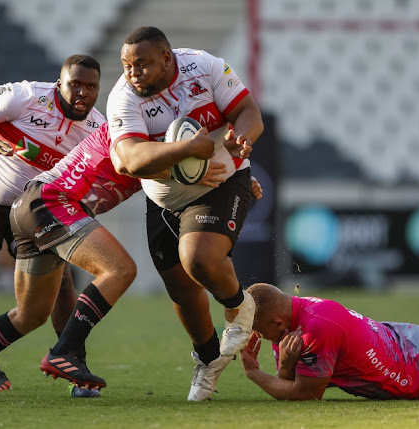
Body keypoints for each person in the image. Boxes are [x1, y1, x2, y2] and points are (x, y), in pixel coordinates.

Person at [0, 121, 265, 400]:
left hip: (32, 205)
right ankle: (65, 350)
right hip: (51, 202)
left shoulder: (146, 134)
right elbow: (144, 165)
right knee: (120, 269)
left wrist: (235, 181)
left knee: (29, 314)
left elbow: (178, 170)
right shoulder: (130, 131)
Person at [106, 26, 264, 401]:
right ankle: (208, 360)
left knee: (198, 258)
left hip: (222, 180)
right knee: (181, 289)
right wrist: (188, 151)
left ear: (167, 58)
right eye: (127, 65)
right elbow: (129, 160)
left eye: (142, 64)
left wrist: (242, 138)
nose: (133, 73)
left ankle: (239, 307)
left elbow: (247, 111)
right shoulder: (123, 97)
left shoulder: (206, 67)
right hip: (163, 199)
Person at [0, 55, 106, 396]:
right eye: (75, 84)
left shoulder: (98, 131)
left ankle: (76, 369)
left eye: (91, 87)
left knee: (60, 287)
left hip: (39, 211)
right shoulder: (27, 96)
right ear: (60, 84)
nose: (82, 93)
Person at [240, 283, 419, 400]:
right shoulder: (294, 315)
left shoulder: (314, 330)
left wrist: (254, 373)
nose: (259, 336)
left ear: (277, 322)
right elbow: (289, 383)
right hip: (416, 339)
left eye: (259, 331)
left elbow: (306, 394)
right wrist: (285, 366)